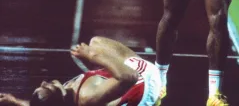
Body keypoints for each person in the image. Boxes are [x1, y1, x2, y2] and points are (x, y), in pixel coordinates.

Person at [0, 36, 162, 106]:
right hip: (147, 83)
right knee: (96, 48)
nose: (44, 82)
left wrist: (14, 100)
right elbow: (129, 77)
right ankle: (161, 84)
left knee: (96, 42)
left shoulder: (61, 98)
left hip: (129, 80)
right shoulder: (86, 97)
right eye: (47, 87)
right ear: (60, 98)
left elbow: (39, 105)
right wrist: (93, 56)